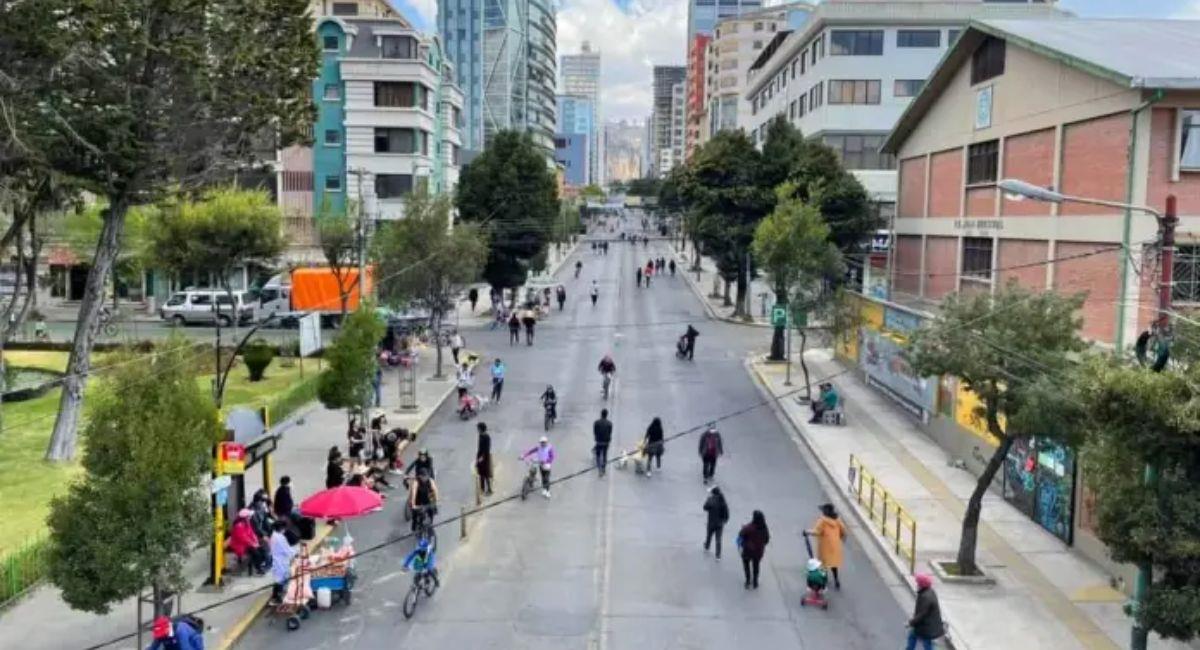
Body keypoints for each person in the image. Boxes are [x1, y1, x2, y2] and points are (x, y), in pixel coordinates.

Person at [810, 503, 847, 589]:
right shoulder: (837, 520)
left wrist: (807, 532)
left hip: (825, 545)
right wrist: (841, 538)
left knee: (824, 564)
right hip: (835, 546)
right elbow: (843, 531)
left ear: (825, 512)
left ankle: (824, 580)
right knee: (833, 564)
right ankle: (836, 579)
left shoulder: (822, 521)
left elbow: (817, 531)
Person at [907, 574, 945, 650]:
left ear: (922, 585)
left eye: (918, 583)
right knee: (914, 637)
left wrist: (910, 622)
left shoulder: (925, 597)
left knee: (924, 641)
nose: (916, 584)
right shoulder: (929, 592)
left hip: (926, 627)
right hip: (927, 625)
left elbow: (921, 614)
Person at [736, 510, 770, 589]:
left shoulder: (749, 527)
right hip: (758, 551)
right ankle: (755, 582)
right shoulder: (764, 528)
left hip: (748, 550)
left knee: (746, 565)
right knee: (756, 565)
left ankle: (748, 581)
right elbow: (767, 540)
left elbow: (741, 534)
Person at [229, 509, 267, 575]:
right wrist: (253, 544)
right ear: (244, 517)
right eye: (248, 516)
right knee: (256, 552)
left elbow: (252, 533)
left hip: (247, 543)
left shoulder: (247, 522)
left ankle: (258, 564)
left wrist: (255, 541)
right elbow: (243, 538)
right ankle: (258, 568)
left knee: (263, 549)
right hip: (240, 545)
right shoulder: (239, 526)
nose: (250, 517)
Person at [269, 520, 296, 603]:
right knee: (280, 579)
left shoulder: (275, 535)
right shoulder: (280, 538)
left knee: (279, 579)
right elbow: (286, 549)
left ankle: (275, 596)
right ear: (281, 528)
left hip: (279, 560)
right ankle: (277, 598)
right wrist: (295, 553)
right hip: (280, 561)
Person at [703, 486, 730, 559]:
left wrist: (708, 500)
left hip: (711, 522)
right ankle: (718, 555)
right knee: (718, 539)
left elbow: (705, 507)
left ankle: (707, 546)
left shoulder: (711, 500)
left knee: (709, 535)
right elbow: (727, 512)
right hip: (720, 524)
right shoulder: (722, 500)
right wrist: (725, 520)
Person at [593, 408, 613, 477]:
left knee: (598, 455)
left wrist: (596, 438)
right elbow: (610, 433)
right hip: (606, 442)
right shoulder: (610, 423)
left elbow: (595, 432)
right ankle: (603, 468)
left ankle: (599, 469)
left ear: (601, 414)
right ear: (607, 415)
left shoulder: (596, 422)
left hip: (599, 441)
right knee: (604, 455)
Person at [475, 422, 493, 495]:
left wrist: (481, 458)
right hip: (480, 456)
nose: (477, 430)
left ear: (481, 429)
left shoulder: (486, 437)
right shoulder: (480, 435)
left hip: (484, 457)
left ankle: (489, 489)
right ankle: (482, 488)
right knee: (481, 473)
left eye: (478, 428)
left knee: (486, 474)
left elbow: (486, 449)